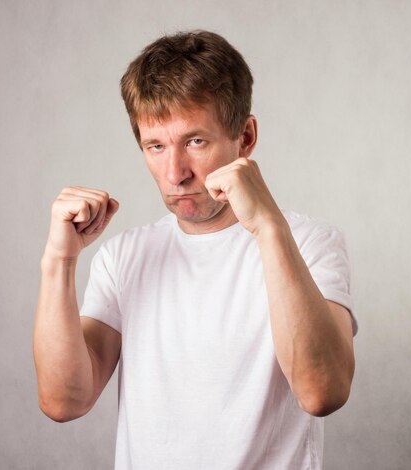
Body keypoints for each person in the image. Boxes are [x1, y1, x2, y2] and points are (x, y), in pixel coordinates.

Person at [33, 30, 357, 469]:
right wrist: (60, 261)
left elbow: (323, 391)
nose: (175, 173)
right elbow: (63, 400)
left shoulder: (307, 242)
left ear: (245, 137)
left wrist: (267, 225)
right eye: (156, 146)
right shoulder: (123, 257)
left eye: (195, 142)